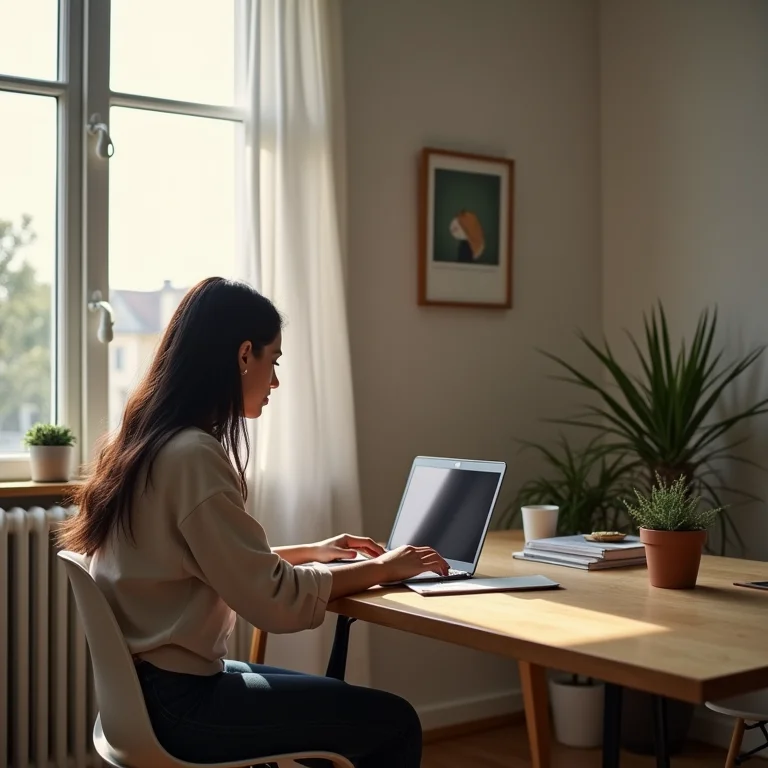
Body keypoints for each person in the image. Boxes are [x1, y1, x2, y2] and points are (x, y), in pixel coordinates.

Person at [58, 277, 449, 767]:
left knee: (331, 703)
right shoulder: (192, 455)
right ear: (245, 355)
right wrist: (387, 567)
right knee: (394, 723)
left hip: (145, 696)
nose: (276, 380)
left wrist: (312, 551)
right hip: (180, 706)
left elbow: (196, 563)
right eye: (275, 361)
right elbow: (272, 601)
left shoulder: (142, 444)